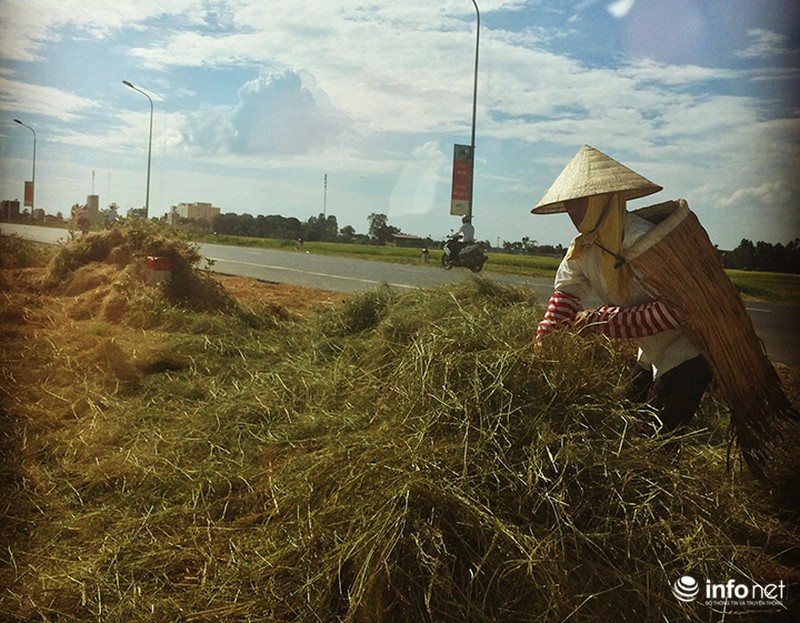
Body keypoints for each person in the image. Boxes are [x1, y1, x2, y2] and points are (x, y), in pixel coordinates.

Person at [532, 145, 712, 433]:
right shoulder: (583, 248)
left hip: (686, 350)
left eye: (579, 202)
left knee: (655, 437)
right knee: (623, 421)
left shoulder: (642, 240)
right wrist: (544, 341)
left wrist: (600, 319)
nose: (571, 212)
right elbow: (565, 296)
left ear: (603, 200)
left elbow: (678, 309)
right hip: (650, 351)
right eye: (568, 203)